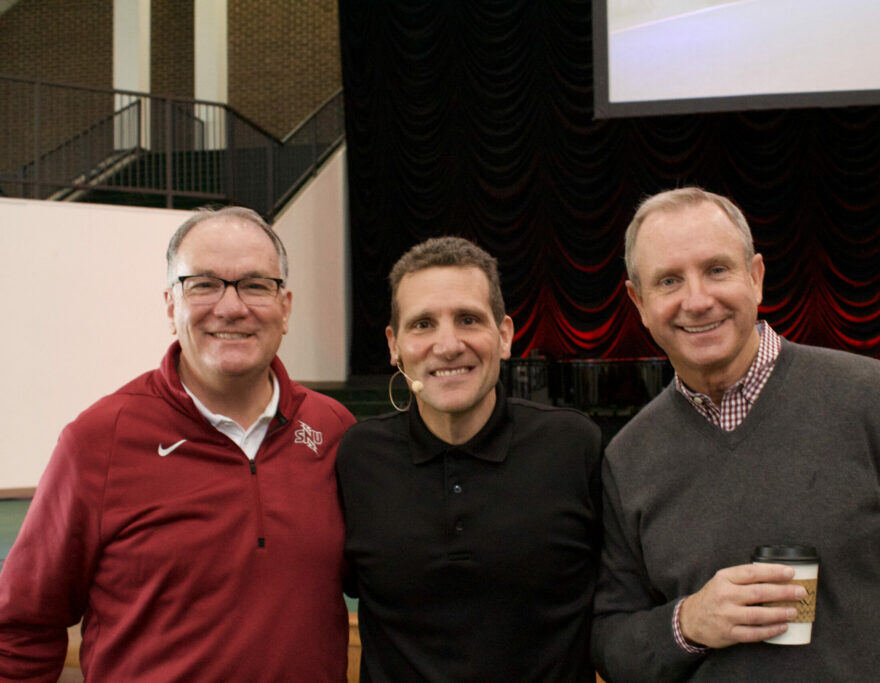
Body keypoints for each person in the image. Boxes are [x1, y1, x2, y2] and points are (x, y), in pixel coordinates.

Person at [591, 187, 880, 681]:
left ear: (756, 278)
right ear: (638, 301)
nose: (697, 300)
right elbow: (613, 645)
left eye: (717, 270)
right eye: (669, 280)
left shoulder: (872, 397)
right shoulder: (629, 457)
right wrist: (687, 623)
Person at [0, 207, 356, 680]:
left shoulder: (332, 428)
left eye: (255, 284)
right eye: (204, 284)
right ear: (171, 306)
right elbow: (20, 632)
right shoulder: (97, 441)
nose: (231, 307)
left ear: (285, 306)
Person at [337, 236, 603, 681]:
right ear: (394, 345)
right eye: (422, 324)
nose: (448, 344)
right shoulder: (359, 457)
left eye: (467, 319)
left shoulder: (574, 445)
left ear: (504, 336)